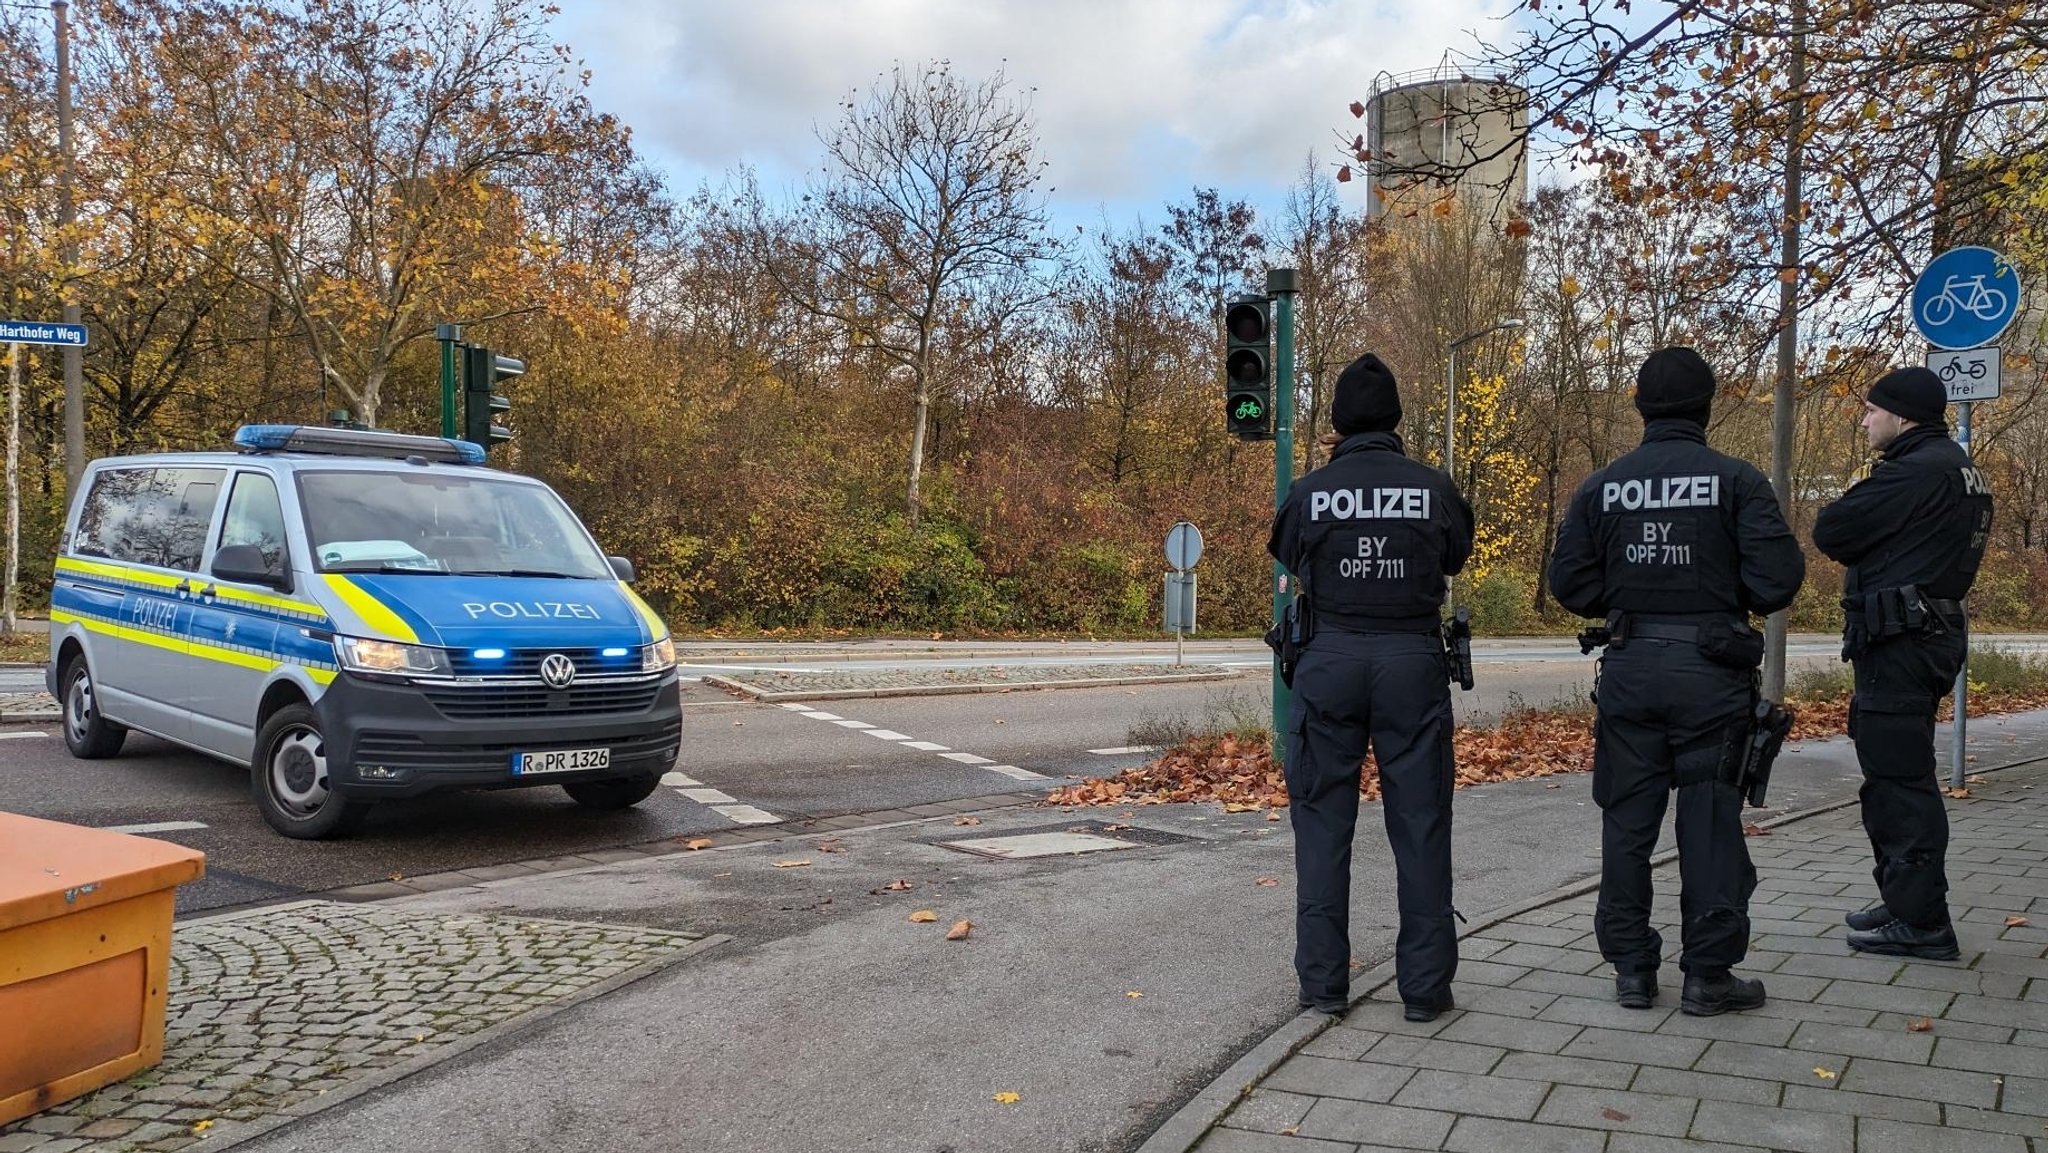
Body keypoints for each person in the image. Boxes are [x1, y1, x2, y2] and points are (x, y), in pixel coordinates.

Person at [1548, 347, 1804, 1016]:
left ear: (1640, 405)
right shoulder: (1737, 481)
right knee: (1710, 824)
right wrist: (1721, 594)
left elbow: (1569, 582)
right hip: (1711, 678)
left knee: (1627, 826)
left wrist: (1629, 596)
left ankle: (1632, 970)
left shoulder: (1604, 485)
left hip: (1631, 671)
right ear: (1707, 405)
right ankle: (1707, 976)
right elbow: (1778, 579)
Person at [1267, 353, 1474, 1022]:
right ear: (1395, 419)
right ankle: (1424, 988)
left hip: (1329, 659)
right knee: (1420, 823)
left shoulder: (1310, 492)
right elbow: (1456, 550)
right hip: (1411, 661)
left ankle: (1324, 986)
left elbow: (1287, 550)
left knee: (1323, 824)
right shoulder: (1432, 488)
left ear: (1337, 421)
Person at [1812, 366, 1993, 961]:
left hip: (1904, 642)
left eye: (1871, 410)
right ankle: (1904, 900)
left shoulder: (1915, 471)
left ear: (1903, 415)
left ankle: (1923, 922)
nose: (1865, 419)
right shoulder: (1957, 468)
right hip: (1924, 635)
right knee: (1896, 774)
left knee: (1899, 785)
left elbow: (1832, 528)